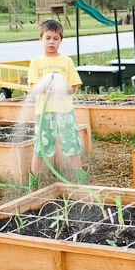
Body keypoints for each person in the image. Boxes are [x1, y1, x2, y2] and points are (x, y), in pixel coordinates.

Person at [27, 19, 83, 189]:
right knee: (41, 147)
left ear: (61, 40)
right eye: (48, 38)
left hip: (64, 111)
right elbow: (33, 87)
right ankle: (34, 184)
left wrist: (61, 87)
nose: (52, 41)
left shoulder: (66, 62)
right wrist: (44, 87)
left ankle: (80, 180)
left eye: (56, 38)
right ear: (41, 38)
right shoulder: (36, 62)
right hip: (44, 113)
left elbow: (73, 87)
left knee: (71, 144)